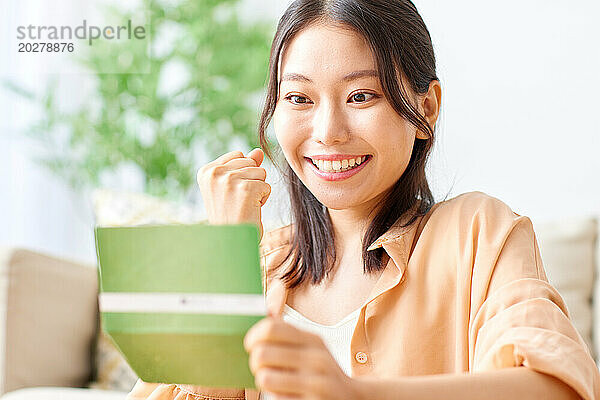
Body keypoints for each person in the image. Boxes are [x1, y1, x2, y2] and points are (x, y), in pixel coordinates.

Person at [126, 0, 599, 399]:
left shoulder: (479, 231)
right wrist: (225, 259)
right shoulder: (256, 262)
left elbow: (555, 387)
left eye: (361, 95)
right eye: (298, 98)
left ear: (426, 109)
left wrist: (353, 392)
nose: (328, 133)